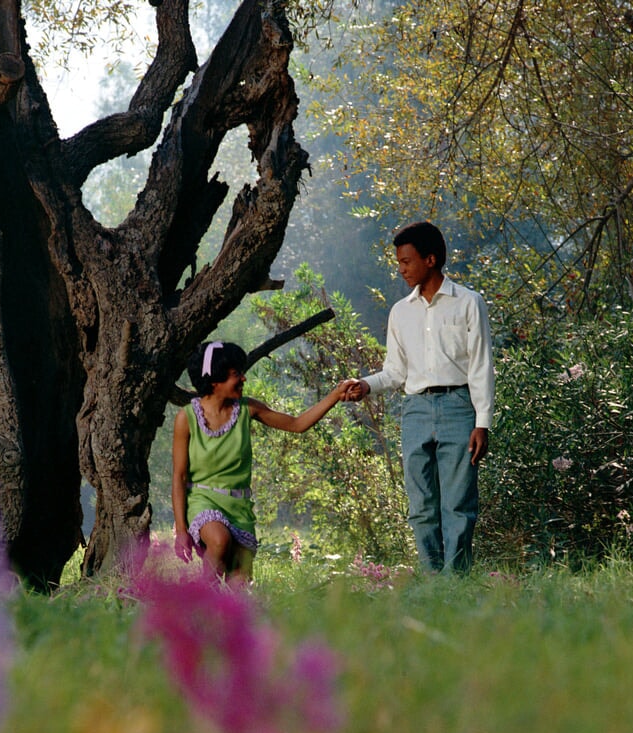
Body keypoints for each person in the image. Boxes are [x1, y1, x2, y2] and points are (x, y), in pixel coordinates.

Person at [345, 221, 495, 573]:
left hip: (460, 408)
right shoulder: (400, 312)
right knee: (421, 505)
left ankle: (454, 583)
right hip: (415, 411)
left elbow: (481, 367)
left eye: (407, 262)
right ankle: (432, 581)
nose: (401, 270)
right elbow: (396, 372)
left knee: (458, 504)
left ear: (430, 259)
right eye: (398, 262)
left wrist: (482, 423)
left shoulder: (469, 303)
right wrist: (366, 385)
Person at [173, 341, 352, 583]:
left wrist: (335, 395)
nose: (244, 379)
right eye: (237, 374)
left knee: (240, 584)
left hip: (240, 506)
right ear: (215, 380)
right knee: (219, 539)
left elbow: (297, 425)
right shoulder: (187, 418)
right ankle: (200, 605)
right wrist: (181, 531)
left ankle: (222, 617)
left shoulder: (248, 409)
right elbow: (180, 477)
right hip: (203, 500)